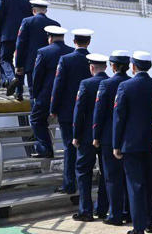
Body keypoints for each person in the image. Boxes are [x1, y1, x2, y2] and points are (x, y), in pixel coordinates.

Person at [114, 51, 152, 234]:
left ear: (133, 66)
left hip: (131, 144)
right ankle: (150, 222)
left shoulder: (125, 87)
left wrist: (116, 144)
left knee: (136, 186)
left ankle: (138, 227)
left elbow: (119, 118)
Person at [50, 29, 94, 194]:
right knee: (85, 147)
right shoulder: (93, 60)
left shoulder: (66, 60)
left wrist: (53, 109)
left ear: (74, 41)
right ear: (88, 42)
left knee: (69, 147)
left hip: (68, 112)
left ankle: (69, 184)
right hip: (89, 114)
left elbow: (58, 85)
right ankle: (83, 183)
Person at [94, 50, 132, 226]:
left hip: (109, 139)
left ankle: (115, 215)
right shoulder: (132, 83)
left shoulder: (106, 84)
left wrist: (96, 136)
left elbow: (99, 113)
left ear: (114, 66)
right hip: (129, 139)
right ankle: (128, 211)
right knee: (127, 177)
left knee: (111, 178)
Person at [72, 53, 110, 222]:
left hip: (87, 137)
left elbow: (79, 112)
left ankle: (85, 210)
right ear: (106, 67)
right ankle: (102, 208)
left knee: (83, 172)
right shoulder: (113, 83)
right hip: (107, 137)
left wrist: (75, 135)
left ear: (91, 67)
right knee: (105, 173)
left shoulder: (86, 84)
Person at [30, 26, 73, 158]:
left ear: (50, 37)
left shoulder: (43, 52)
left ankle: (45, 148)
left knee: (36, 119)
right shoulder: (71, 52)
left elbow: (37, 76)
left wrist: (35, 95)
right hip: (67, 97)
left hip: (46, 95)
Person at [0, 0, 32, 97]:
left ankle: (11, 78)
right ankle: (19, 92)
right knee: (20, 63)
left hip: (8, 34)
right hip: (24, 35)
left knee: (5, 59)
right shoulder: (29, 0)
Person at [14, 0, 59, 101]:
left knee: (33, 91)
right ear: (46, 10)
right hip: (50, 63)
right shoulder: (55, 24)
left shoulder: (27, 21)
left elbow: (20, 44)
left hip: (31, 62)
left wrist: (19, 64)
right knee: (48, 91)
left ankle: (33, 114)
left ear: (33, 10)